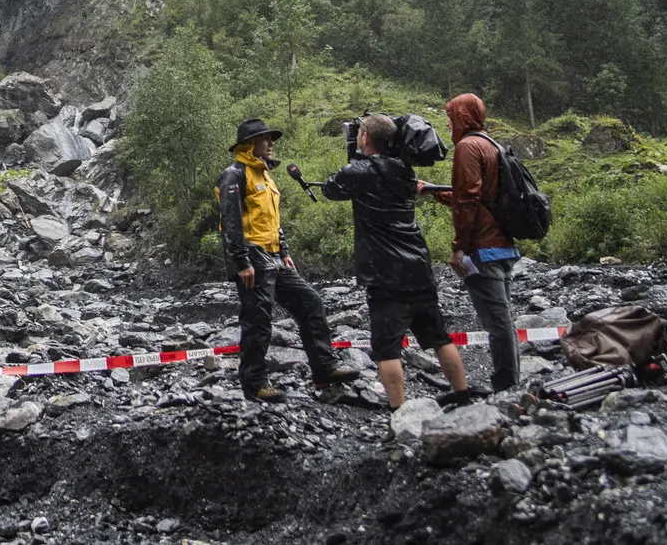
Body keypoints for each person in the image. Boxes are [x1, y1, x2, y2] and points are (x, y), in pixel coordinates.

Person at [321, 113, 481, 410]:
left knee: (387, 349)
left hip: (384, 273)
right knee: (439, 336)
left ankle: (398, 410)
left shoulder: (359, 171)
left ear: (365, 137)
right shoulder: (404, 170)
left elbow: (331, 188)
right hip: (418, 266)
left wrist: (354, 154)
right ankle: (462, 394)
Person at [217, 117, 354, 403]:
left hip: (273, 256)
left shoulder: (265, 175)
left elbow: (273, 220)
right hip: (252, 256)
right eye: (265, 139)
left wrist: (285, 251)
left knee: (310, 301)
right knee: (258, 320)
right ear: (249, 144)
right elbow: (230, 220)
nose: (271, 144)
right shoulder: (235, 173)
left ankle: (325, 369)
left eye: (270, 138)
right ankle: (254, 385)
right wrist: (241, 262)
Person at [420, 94, 521, 393]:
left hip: (483, 249)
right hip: (503, 244)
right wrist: (434, 192)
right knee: (504, 319)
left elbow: (468, 201)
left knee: (497, 323)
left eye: (450, 118)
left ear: (462, 118)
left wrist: (458, 247)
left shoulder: (467, 147)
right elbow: (478, 196)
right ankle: (509, 381)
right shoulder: (492, 144)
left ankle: (506, 386)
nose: (448, 124)